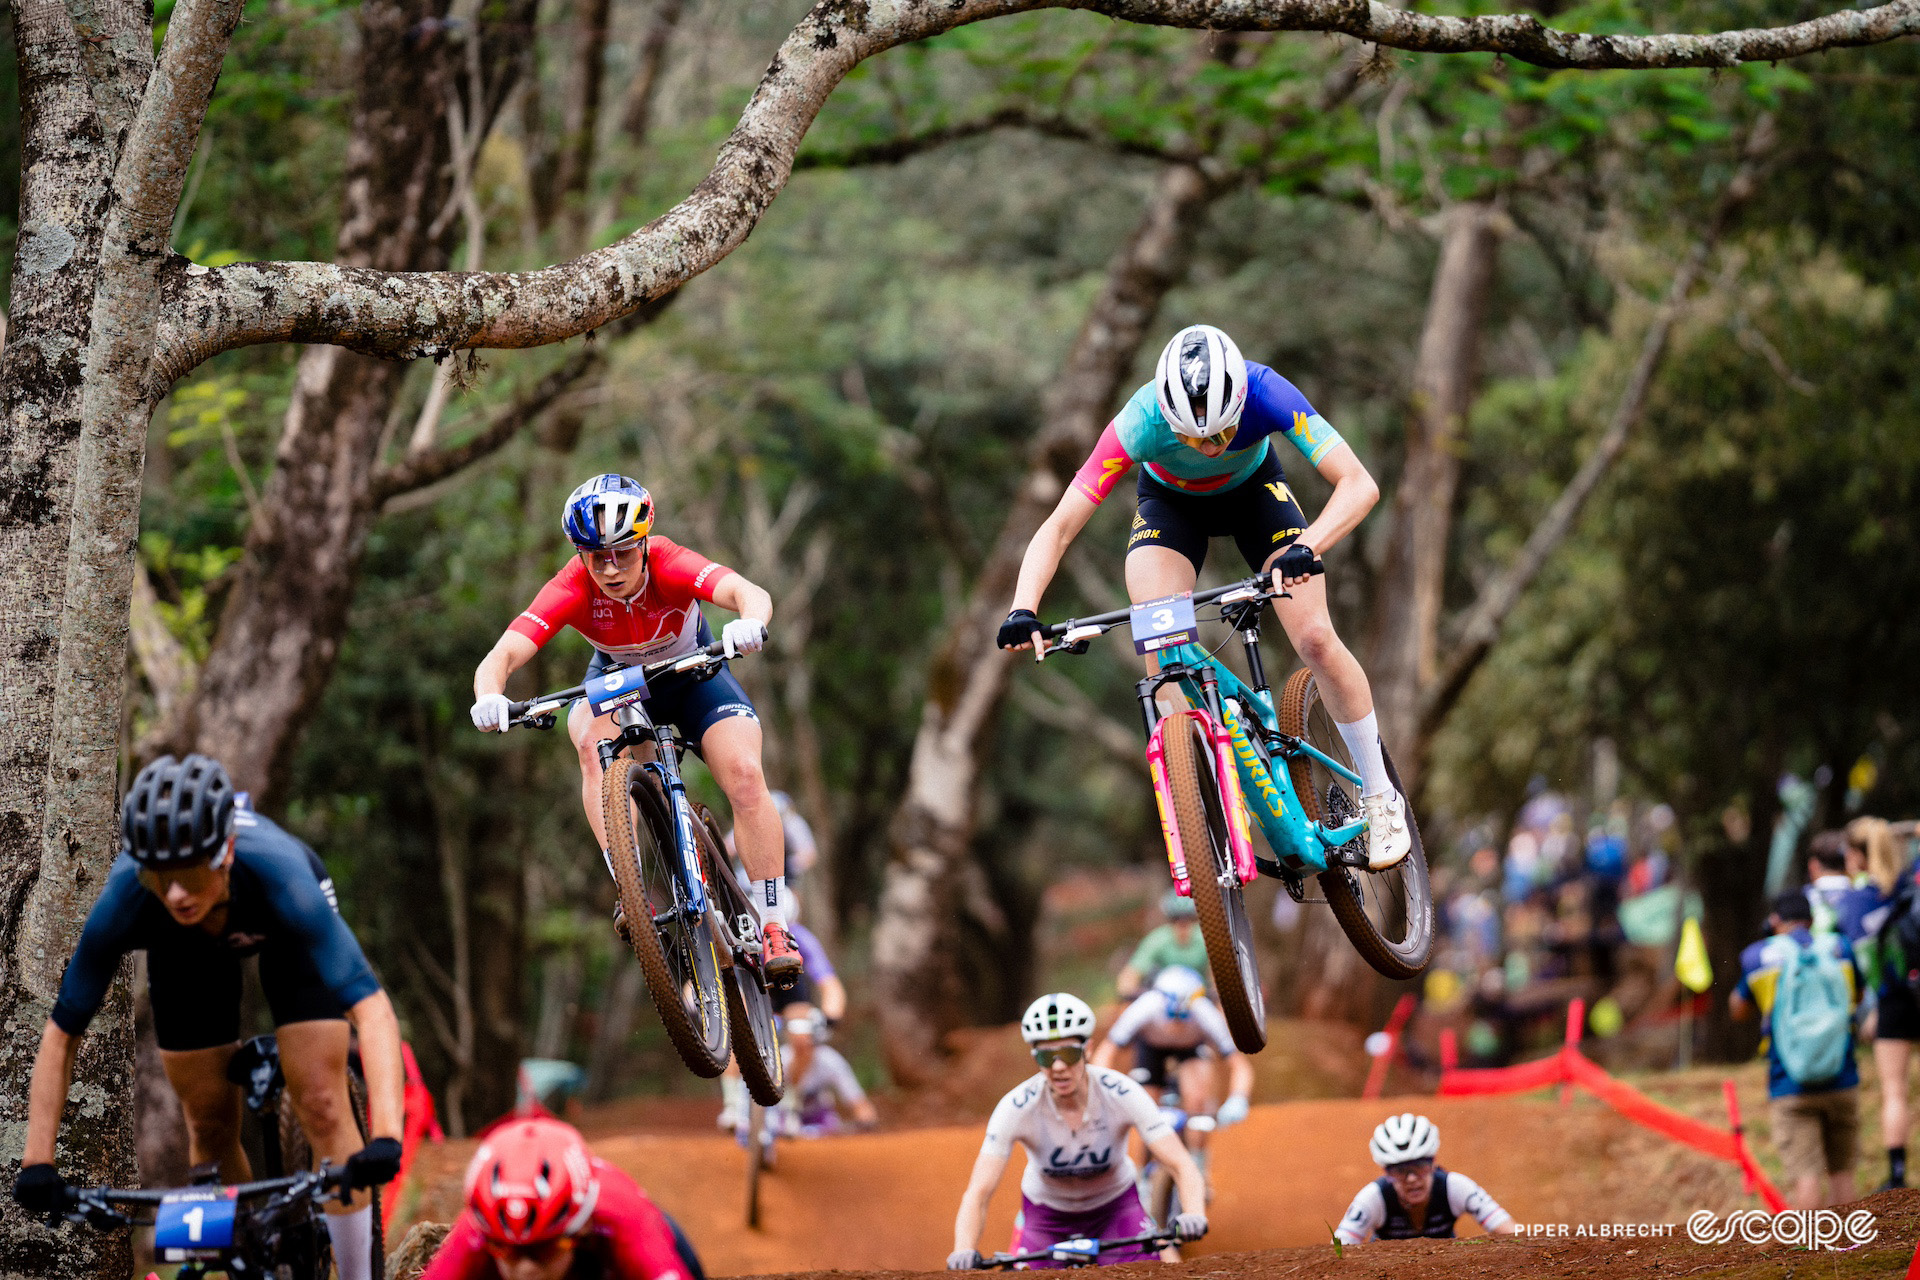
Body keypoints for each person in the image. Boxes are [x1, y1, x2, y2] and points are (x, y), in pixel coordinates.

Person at [996, 324, 1410, 872]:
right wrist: (1023, 608)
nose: (1209, 449)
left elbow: (1359, 485)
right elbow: (1060, 527)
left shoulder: (1267, 393)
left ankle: (1381, 796)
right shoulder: (1137, 423)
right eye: (1192, 439)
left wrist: (1306, 546)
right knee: (1160, 650)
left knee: (1313, 637)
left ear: (1241, 402)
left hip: (1255, 496)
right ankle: (1196, 806)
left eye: (1220, 434)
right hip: (1171, 508)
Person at [11, 755, 405, 1280]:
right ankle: (250, 1260)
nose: (175, 892)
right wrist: (37, 1162)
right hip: (185, 953)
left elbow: (373, 1011)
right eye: (159, 876)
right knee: (210, 1123)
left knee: (321, 1100)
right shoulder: (128, 896)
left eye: (190, 872)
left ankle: (357, 1273)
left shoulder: (282, 876)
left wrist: (387, 1139)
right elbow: (62, 1034)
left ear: (226, 855)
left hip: (281, 932)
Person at [469, 474, 800, 981]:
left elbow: (741, 590)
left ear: (644, 543)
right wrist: (489, 695)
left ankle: (774, 923)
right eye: (594, 555)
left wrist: (749, 620)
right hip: (621, 684)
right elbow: (506, 651)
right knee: (586, 739)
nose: (608, 567)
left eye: (622, 552)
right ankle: (631, 886)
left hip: (695, 677)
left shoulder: (668, 561)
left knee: (746, 775)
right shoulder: (572, 585)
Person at [949, 994, 1208, 1269]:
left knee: (1165, 1267)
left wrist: (1194, 1213)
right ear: (1035, 1057)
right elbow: (978, 1191)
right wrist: (962, 1249)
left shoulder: (1122, 1092)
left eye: (1069, 1054)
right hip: (1046, 1218)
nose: (1059, 1067)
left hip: (1116, 1208)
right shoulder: (1016, 1107)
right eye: (1047, 1057)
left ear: (1088, 1050)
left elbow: (1180, 1163)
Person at [424, 1116, 705, 1280]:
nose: (525, 1269)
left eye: (544, 1249)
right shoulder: (478, 1226)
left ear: (579, 1228)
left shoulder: (623, 1217)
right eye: (505, 1250)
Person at [1730, 893, 1861, 1209]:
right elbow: (1857, 995)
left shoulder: (1758, 957)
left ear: (1774, 921)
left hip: (1789, 1083)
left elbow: (1738, 1009)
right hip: (1842, 1076)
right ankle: (1853, 1250)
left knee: (1806, 1177)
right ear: (1812, 921)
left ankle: (1810, 1254)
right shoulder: (1840, 949)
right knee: (1842, 1174)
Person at [1091, 967, 1252, 1158]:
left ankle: (1197, 1164)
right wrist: (1100, 1090)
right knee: (1144, 1107)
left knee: (1197, 1105)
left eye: (1183, 1016)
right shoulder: (1145, 1007)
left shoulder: (1204, 1012)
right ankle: (1142, 1170)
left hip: (1190, 1049)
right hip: (1151, 1049)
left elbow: (1239, 1065)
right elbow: (1107, 1051)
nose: (1176, 1024)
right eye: (1171, 1016)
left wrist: (1238, 1098)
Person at [718, 912, 843, 1131]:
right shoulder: (738, 930)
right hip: (748, 982)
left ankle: (791, 1105)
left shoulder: (801, 937)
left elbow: (830, 984)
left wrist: (829, 1017)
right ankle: (732, 1106)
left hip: (788, 989)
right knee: (736, 1030)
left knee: (803, 1038)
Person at [1334, 1114, 1517, 1245]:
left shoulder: (1455, 1187)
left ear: (1433, 1163)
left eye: (1419, 1166)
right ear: (1387, 1173)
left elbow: (1514, 1233)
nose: (1412, 1178)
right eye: (1400, 1170)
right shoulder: (1373, 1197)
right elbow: (1337, 1251)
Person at [1859, 816, 1920, 1189]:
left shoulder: (1877, 891)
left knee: (1894, 1090)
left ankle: (1897, 1175)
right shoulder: (1913, 877)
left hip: (1895, 997)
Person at [781, 1017, 879, 1135]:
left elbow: (857, 1100)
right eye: (798, 1040)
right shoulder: (780, 1059)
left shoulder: (829, 1060)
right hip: (781, 1119)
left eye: (807, 1040)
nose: (803, 1045)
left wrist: (865, 1118)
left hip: (820, 1121)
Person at [1116, 893, 1211, 999]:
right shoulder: (1158, 939)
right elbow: (1131, 973)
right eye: (1176, 920)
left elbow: (1215, 974)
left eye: (1187, 919)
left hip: (1197, 995)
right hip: (1164, 995)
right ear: (1170, 921)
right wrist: (1130, 992)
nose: (1182, 925)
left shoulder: (1205, 939)